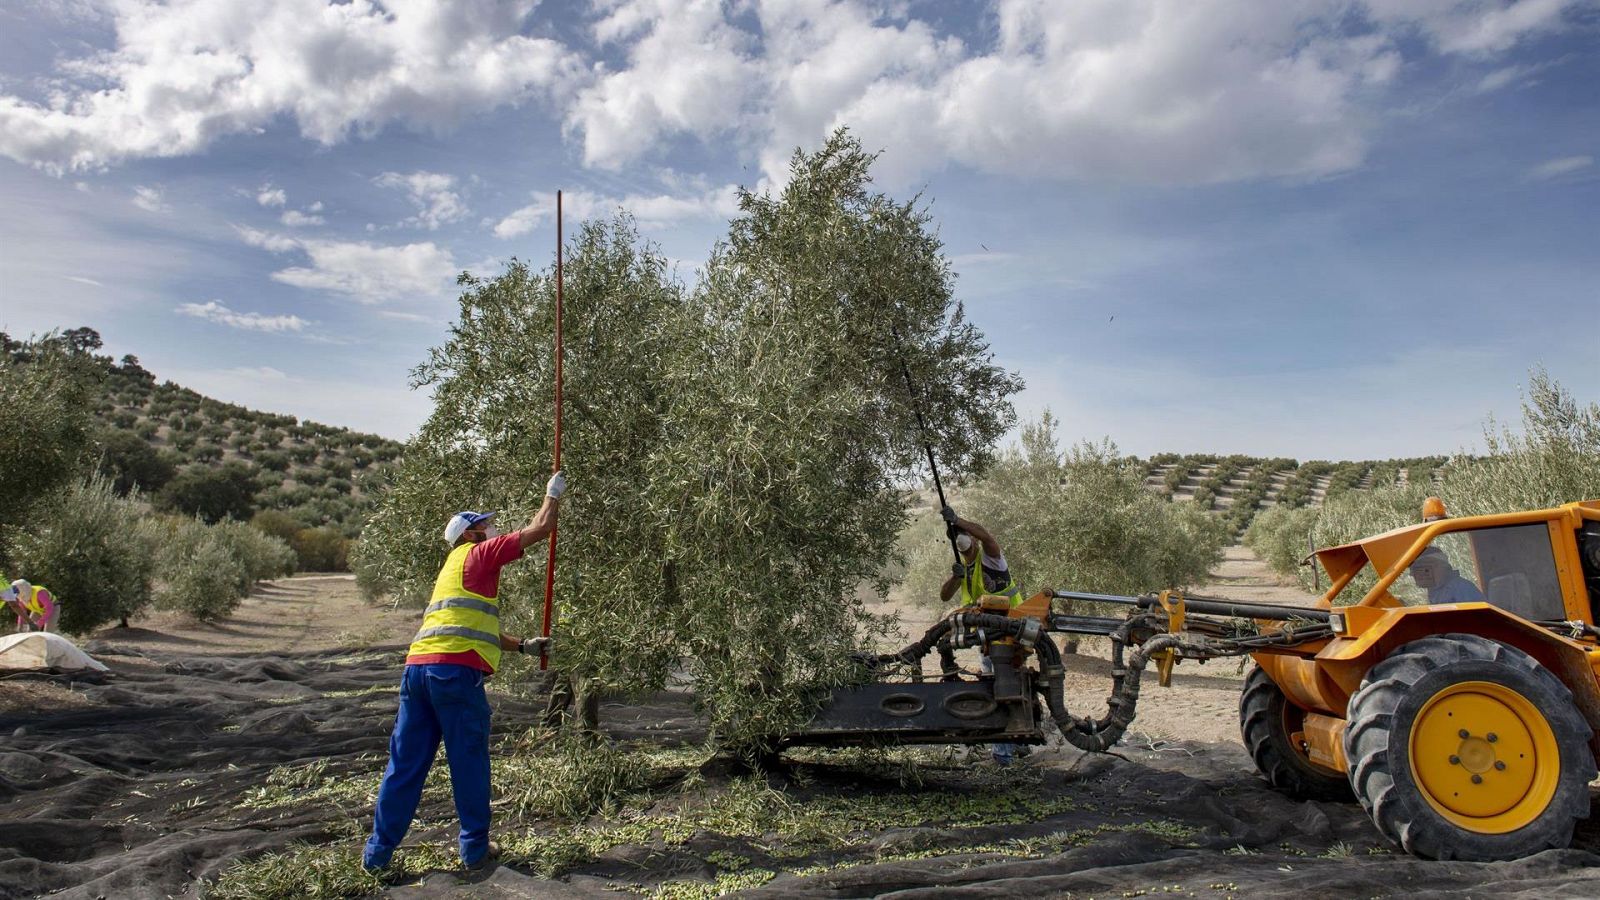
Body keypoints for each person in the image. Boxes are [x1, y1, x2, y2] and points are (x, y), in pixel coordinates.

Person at [363, 471, 566, 874]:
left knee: (404, 766)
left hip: (417, 673)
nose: (493, 529)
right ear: (471, 534)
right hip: (454, 677)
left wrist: (523, 646)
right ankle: (474, 851)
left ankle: (377, 856)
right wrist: (552, 493)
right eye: (486, 525)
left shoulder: (452, 568)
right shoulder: (480, 554)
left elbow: (473, 625)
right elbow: (542, 528)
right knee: (468, 760)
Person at [938, 507, 1022, 764]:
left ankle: (1003, 754)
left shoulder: (992, 560)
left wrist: (958, 520)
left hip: (1007, 631)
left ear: (971, 540)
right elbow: (944, 595)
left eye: (965, 537)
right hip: (990, 636)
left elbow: (987, 536)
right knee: (1010, 684)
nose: (964, 543)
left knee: (1000, 686)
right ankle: (1017, 745)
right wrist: (955, 577)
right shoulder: (965, 568)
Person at [1408, 546, 1484, 604]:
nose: (1412, 575)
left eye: (1418, 568)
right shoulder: (1436, 590)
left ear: (1440, 566)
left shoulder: (1460, 588)